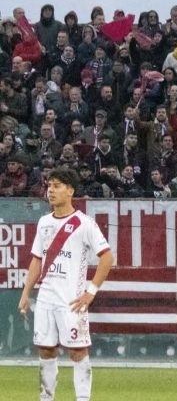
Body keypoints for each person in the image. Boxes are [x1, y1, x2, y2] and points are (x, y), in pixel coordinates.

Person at [18, 167, 114, 401]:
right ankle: (46, 398)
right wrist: (25, 293)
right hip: (46, 299)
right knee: (46, 349)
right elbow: (37, 259)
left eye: (57, 186)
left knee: (78, 350)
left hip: (71, 301)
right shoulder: (43, 222)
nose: (51, 190)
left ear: (70, 191)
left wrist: (90, 292)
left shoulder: (84, 223)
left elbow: (107, 257)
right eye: (49, 185)